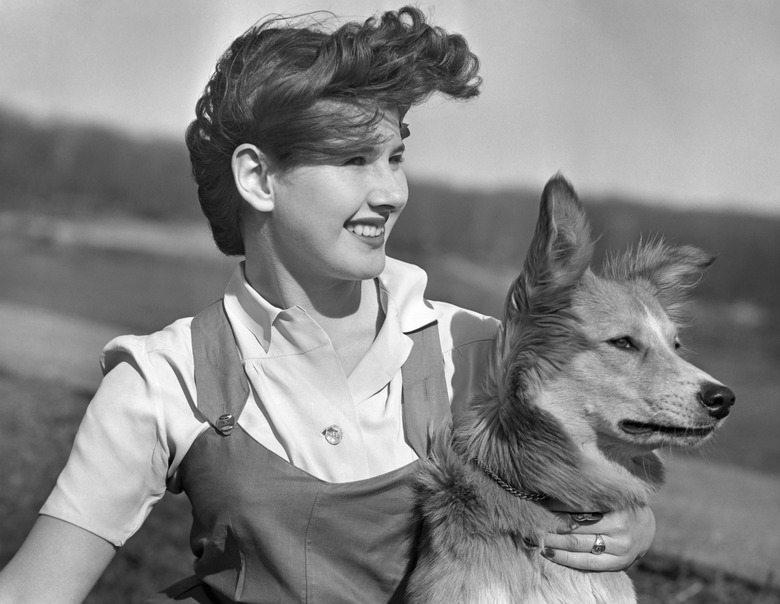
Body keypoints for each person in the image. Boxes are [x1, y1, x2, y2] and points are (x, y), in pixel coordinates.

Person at [0, 7, 655, 603]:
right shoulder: (162, 381)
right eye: (353, 158)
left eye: (396, 156)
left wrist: (634, 527)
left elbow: (616, 474)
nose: (391, 191)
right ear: (258, 178)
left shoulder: (475, 350)